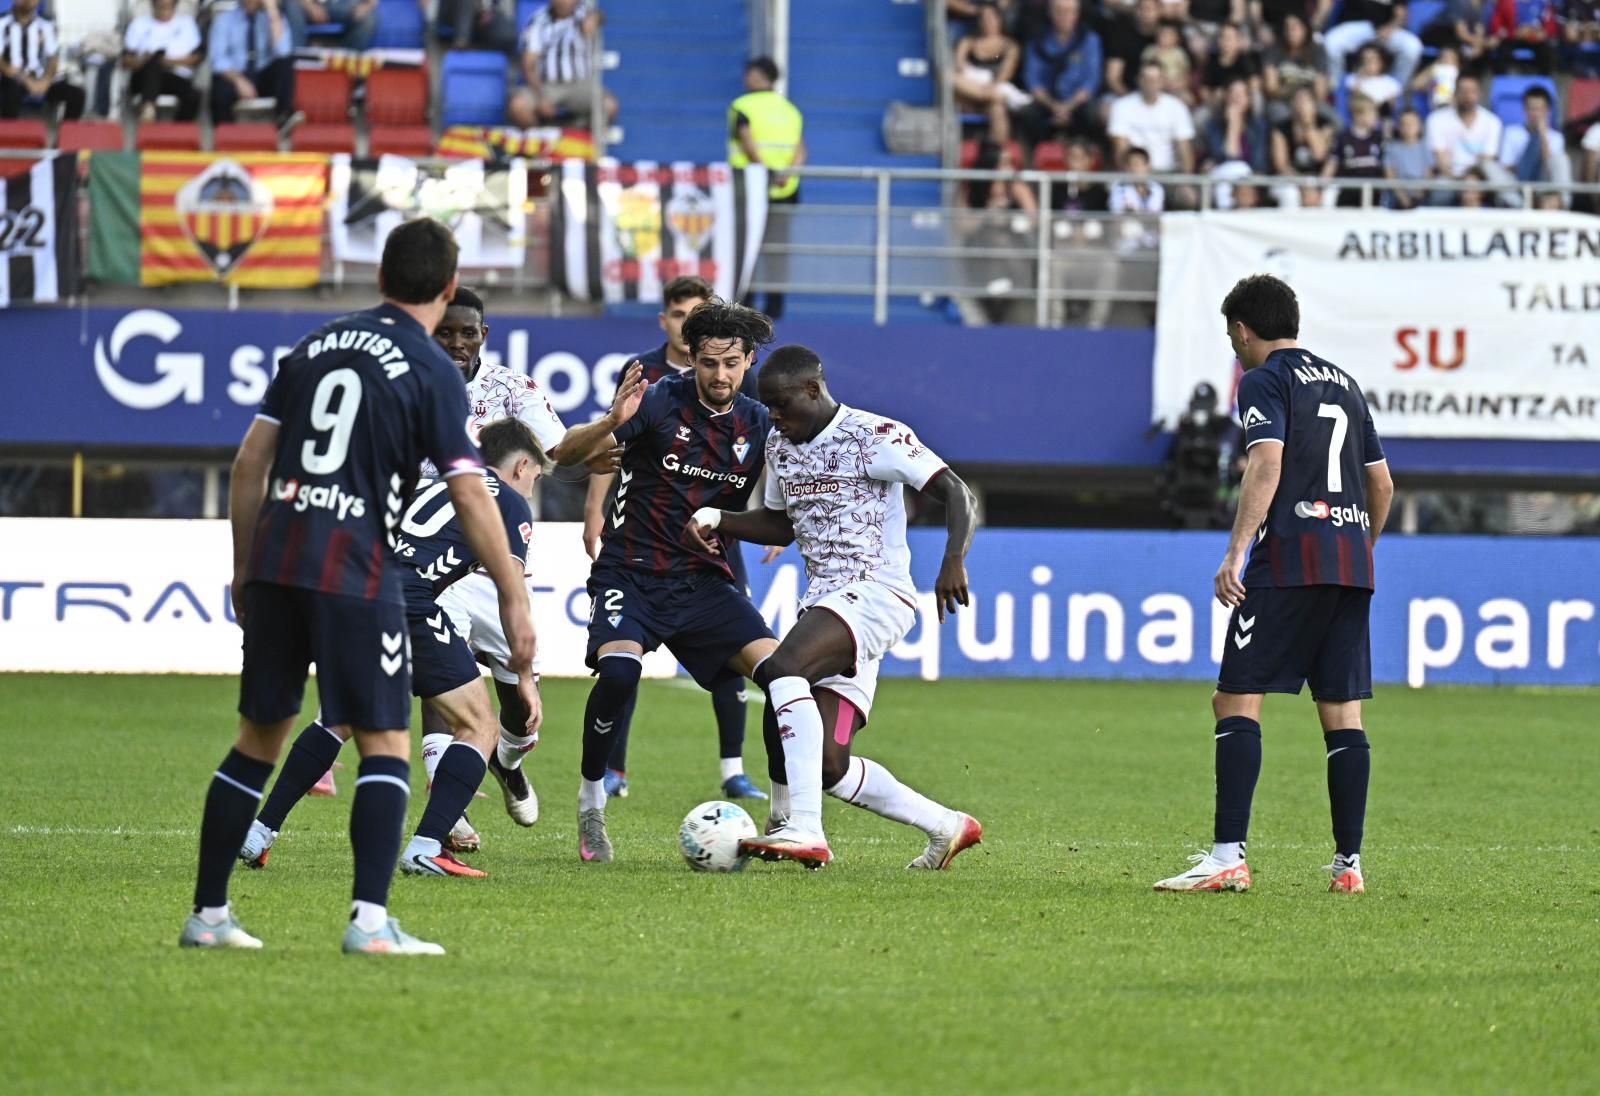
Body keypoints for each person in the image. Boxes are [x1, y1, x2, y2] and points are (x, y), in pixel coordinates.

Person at [178, 219, 534, 955]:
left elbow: (250, 463)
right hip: (357, 564)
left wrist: (246, 567)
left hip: (280, 554)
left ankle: (209, 915)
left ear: (378, 279)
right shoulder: (433, 369)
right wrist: (516, 602)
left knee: (257, 740)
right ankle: (370, 924)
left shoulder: (315, 345)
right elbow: (472, 496)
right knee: (384, 741)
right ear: (446, 287)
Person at [685, 346, 983, 871]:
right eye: (766, 407)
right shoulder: (782, 445)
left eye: (780, 405)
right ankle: (947, 826)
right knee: (824, 761)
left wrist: (952, 560)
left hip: (877, 592)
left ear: (811, 391)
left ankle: (803, 828)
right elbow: (782, 523)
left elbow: (956, 493)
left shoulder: (876, 436)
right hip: (826, 603)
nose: (772, 417)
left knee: (780, 669)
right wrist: (720, 519)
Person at [235, 418, 569, 878]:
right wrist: (526, 678)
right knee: (480, 725)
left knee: (341, 717)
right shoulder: (508, 504)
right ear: (523, 466)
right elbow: (512, 591)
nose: (533, 485)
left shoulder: (435, 482)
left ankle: (258, 833)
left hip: (353, 591)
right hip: (406, 600)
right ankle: (428, 845)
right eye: (535, 475)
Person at [1154, 274, 1393, 895]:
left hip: (1289, 558)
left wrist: (1236, 552)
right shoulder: (1345, 382)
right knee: (1343, 713)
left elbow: (1266, 461)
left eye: (1230, 334)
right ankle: (1349, 866)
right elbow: (1383, 485)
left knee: (1235, 698)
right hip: (1350, 563)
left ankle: (1228, 856)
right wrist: (1358, 547)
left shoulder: (1262, 379)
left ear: (1241, 329)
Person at [574, 300, 785, 864]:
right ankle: (591, 805)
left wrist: (771, 523)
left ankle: (786, 818)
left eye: (732, 364)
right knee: (618, 672)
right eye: (709, 364)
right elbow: (568, 456)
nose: (720, 376)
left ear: (748, 362)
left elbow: (783, 495)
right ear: (690, 357)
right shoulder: (659, 400)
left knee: (787, 681)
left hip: (702, 582)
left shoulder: (759, 422)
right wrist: (612, 422)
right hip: (631, 572)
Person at [729, 57, 806, 321]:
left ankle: (744, 306)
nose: (744, 77)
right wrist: (787, 173)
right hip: (786, 190)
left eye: (748, 72)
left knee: (745, 247)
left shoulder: (742, 106)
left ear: (757, 76)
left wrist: (766, 173)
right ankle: (775, 310)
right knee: (777, 251)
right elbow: (800, 149)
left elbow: (747, 142)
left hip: (749, 189)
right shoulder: (790, 110)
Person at [507, 0, 615, 128]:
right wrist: (541, 97)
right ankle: (543, 135)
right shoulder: (538, 21)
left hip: (579, 85)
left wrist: (596, 17)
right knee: (518, 106)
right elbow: (528, 66)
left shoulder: (585, 15)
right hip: (546, 86)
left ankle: (576, 130)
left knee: (608, 105)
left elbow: (599, 16)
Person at [1019, 0, 1103, 142]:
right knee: (1028, 114)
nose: (1064, 16)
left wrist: (1068, 106)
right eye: (1059, 11)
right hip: (1046, 101)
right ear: (1051, 14)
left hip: (1076, 101)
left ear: (1076, 14)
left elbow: (1091, 80)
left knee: (1092, 114)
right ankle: (1036, 159)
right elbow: (1032, 79)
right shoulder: (1036, 39)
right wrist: (1054, 106)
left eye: (1069, 11)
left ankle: (1084, 155)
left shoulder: (1090, 40)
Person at [208, 0, 298, 128]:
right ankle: (224, 135)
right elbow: (218, 59)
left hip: (263, 74)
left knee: (285, 64)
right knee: (219, 86)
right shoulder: (224, 20)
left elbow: (283, 51)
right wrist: (239, 81)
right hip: (236, 74)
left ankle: (283, 118)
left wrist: (272, 10)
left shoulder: (274, 18)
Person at [953, 2, 1029, 143]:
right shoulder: (968, 42)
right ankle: (995, 96)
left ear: (999, 19)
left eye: (991, 17)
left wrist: (992, 87)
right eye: (983, 18)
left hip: (993, 91)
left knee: (997, 108)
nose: (988, 21)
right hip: (969, 94)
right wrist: (981, 88)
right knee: (950, 78)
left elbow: (1006, 72)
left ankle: (996, 154)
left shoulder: (1010, 46)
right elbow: (959, 65)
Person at [0, 0, 86, 121]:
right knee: (12, 90)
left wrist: (46, 80)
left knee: (76, 94)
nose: (27, 1)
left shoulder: (46, 23)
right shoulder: (2, 22)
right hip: (14, 77)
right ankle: (9, 136)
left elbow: (53, 58)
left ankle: (64, 137)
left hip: (41, 78)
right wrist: (26, 80)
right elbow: (2, 63)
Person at [1109, 60, 1197, 174]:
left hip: (1169, 172)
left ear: (1163, 81)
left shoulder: (1177, 107)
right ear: (1139, 80)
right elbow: (1120, 150)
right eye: (1147, 78)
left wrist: (1186, 179)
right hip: (1134, 173)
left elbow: (1185, 149)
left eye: (1156, 79)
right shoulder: (1121, 106)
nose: (1151, 83)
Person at [121, 0, 201, 122]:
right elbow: (126, 59)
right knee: (154, 63)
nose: (164, 11)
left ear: (175, 6)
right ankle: (148, 110)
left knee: (193, 96)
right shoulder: (139, 24)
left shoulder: (187, 23)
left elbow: (197, 57)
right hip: (143, 76)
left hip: (175, 75)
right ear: (153, 5)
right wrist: (144, 60)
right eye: (160, 7)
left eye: (168, 7)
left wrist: (169, 61)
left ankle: (178, 132)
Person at [1324, 0, 1424, 90]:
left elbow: (1401, 14)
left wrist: (1390, 27)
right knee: (1331, 43)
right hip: (1354, 27)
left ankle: (1397, 89)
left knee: (1412, 47)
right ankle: (1336, 87)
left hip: (1384, 29)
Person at [1497, 85, 1571, 201]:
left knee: (1561, 159)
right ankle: (1516, 205)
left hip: (1545, 184)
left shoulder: (1557, 137)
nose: (1535, 114)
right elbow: (1506, 166)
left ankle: (1563, 204)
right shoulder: (1511, 132)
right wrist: (1527, 161)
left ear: (1548, 111)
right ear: (1524, 109)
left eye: (1540, 109)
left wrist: (1542, 135)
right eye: (1532, 109)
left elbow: (1551, 168)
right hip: (1518, 182)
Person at [1424, 73, 1502, 184]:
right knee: (1440, 190)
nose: (1467, 96)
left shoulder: (1492, 122)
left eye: (1472, 91)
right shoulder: (1435, 119)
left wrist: (1469, 181)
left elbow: (1487, 160)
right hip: (1447, 176)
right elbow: (1440, 161)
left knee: (1496, 175)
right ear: (1455, 92)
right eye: (1463, 91)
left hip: (1480, 178)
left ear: (1479, 94)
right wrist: (1459, 182)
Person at [1260, 12, 1328, 124]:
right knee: (1280, 116)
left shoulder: (1317, 51)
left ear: (1305, 29)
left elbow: (1320, 91)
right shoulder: (1274, 50)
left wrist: (1305, 101)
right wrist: (1294, 94)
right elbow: (1271, 87)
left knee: (1336, 122)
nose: (1290, 31)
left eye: (1295, 27)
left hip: (1311, 101)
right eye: (1287, 27)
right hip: (1282, 100)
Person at [1330, 93, 1386, 205]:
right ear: (1357, 115)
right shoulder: (1343, 138)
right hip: (1348, 194)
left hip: (1374, 195)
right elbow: (1332, 164)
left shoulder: (1379, 137)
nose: (1375, 116)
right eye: (1371, 112)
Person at [282, 0, 378, 52]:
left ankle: (345, 66)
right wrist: (309, 6)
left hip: (341, 4)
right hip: (305, 4)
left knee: (367, 20)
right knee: (291, 5)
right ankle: (295, 62)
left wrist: (366, 6)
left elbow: (371, 2)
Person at [1384, 105, 1432, 207]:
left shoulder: (1425, 146)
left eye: (1412, 123)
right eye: (1404, 124)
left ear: (1419, 125)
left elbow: (1428, 174)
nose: (1408, 127)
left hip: (1420, 194)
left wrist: (1419, 195)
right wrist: (1402, 197)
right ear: (1398, 127)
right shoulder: (1391, 147)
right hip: (1397, 194)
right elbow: (1390, 175)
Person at [1343, 42, 1402, 115]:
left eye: (1374, 60)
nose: (1369, 64)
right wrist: (1360, 77)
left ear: (1382, 62)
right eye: (1365, 60)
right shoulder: (1353, 78)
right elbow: (1354, 97)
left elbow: (1392, 106)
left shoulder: (1391, 82)